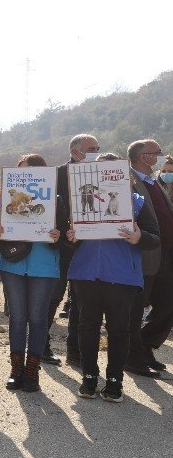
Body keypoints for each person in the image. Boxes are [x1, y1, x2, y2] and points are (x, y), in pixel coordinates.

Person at [67, 152, 159, 402]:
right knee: (87, 327)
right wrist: (72, 238)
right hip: (86, 273)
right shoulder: (82, 200)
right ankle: (89, 377)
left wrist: (139, 237)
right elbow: (73, 240)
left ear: (123, 175)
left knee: (119, 330)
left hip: (122, 276)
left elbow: (154, 238)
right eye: (99, 171)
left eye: (111, 171)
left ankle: (115, 381)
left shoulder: (137, 202)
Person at [0, 154, 63, 392]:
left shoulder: (56, 200)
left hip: (44, 265)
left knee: (38, 318)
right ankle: (16, 369)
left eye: (33, 171)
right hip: (12, 264)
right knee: (17, 317)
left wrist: (57, 236)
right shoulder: (4, 200)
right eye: (23, 171)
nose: (28, 176)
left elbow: (65, 237)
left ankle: (32, 371)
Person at [47, 133, 99, 367]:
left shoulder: (100, 174)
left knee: (82, 300)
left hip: (88, 246)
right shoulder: (55, 175)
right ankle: (40, 344)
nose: (96, 152)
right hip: (60, 245)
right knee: (54, 296)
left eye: (98, 148)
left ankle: (75, 351)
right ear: (75, 151)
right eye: (91, 148)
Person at [126, 139, 173, 378]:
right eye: (158, 152)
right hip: (143, 254)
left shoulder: (155, 181)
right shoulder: (128, 181)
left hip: (166, 252)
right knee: (136, 308)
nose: (162, 156)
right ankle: (133, 357)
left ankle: (146, 345)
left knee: (167, 304)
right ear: (145, 157)